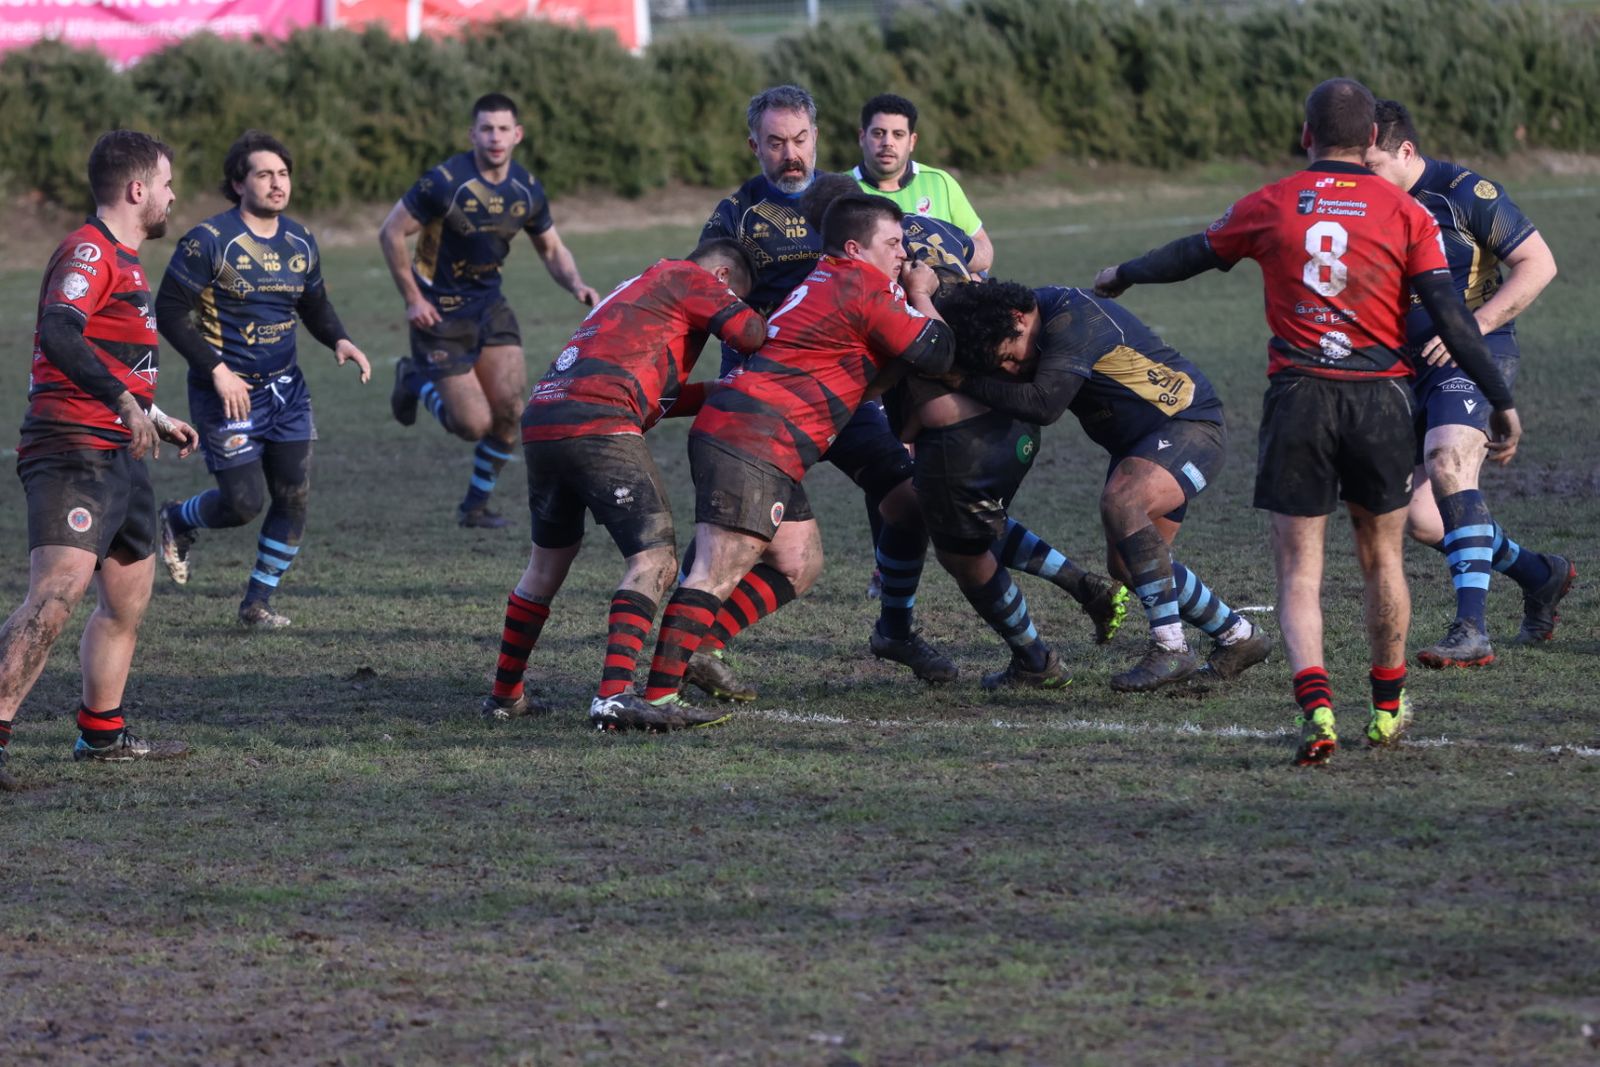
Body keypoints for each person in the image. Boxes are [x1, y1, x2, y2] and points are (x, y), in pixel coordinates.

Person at [1095, 78, 1521, 766]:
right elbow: (1449, 313)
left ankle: (1316, 707)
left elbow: (1192, 254)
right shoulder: (1406, 211)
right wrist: (1499, 396)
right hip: (1381, 398)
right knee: (1382, 557)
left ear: (1305, 136)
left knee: (1299, 570)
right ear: (1375, 140)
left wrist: (1125, 272)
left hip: (1299, 399)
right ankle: (1386, 708)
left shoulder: (1272, 202)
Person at [610, 194, 954, 725]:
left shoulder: (829, 279)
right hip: (755, 437)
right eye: (892, 243)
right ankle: (658, 698)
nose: (902, 253)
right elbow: (937, 351)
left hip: (757, 433)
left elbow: (868, 378)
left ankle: (699, 650)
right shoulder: (865, 285)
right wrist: (923, 293)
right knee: (714, 570)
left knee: (798, 563)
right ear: (855, 247)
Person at [696, 86, 960, 691]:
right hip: (769, 394)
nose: (790, 154)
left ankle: (895, 630)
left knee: (908, 501)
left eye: (800, 139)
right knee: (741, 533)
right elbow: (702, 291)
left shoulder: (848, 200)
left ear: (817, 136)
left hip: (846, 391)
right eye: (775, 142)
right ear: (754, 145)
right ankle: (695, 643)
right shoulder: (736, 212)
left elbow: (916, 256)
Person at [482, 239, 767, 731]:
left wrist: (717, 392)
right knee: (655, 561)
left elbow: (653, 397)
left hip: (547, 417)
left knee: (545, 566)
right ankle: (614, 696)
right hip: (598, 421)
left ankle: (505, 697)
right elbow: (750, 334)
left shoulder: (639, 287)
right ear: (721, 280)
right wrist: (755, 321)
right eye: (732, 295)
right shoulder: (692, 278)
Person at [935, 281, 1272, 691]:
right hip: (1143, 446)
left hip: (1189, 427)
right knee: (1131, 568)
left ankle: (1171, 649)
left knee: (1122, 502)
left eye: (1009, 357)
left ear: (1018, 319)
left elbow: (1044, 405)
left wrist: (961, 381)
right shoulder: (1023, 321)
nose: (1010, 369)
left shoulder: (1072, 319)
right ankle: (1239, 637)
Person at [0, 130, 199, 790]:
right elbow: (60, 331)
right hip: (72, 447)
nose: (173, 196)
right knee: (55, 595)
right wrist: (120, 398)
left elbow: (116, 358)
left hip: (121, 450)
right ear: (137, 189)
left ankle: (102, 734)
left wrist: (156, 414)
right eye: (167, 184)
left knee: (126, 600)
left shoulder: (128, 260)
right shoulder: (89, 250)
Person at [1365, 99, 1571, 667]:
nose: (1366, 178)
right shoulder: (1363, 202)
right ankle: (1539, 573)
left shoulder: (1463, 193)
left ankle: (1471, 630)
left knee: (1448, 460)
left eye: (1374, 165)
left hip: (1476, 353)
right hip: (1402, 366)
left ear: (1406, 151)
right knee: (1421, 518)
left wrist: (1471, 330)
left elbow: (1539, 262)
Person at [154, 131, 371, 628]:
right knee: (244, 502)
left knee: (294, 494)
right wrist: (217, 370)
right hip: (225, 392)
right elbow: (168, 313)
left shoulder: (300, 240)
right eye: (264, 174)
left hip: (286, 390)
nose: (277, 184)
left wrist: (339, 339)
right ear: (237, 182)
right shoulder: (209, 241)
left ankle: (257, 603)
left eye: (283, 174)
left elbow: (314, 305)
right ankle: (178, 519)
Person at [380, 93, 599, 529]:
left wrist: (576, 283)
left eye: (503, 129)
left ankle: (474, 507)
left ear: (517, 134)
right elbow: (391, 233)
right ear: (472, 134)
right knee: (472, 425)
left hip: (489, 308)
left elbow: (552, 248)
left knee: (511, 414)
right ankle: (414, 378)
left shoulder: (526, 188)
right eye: (486, 129)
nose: (495, 137)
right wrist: (412, 298)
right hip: (438, 314)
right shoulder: (444, 181)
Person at [853, 93, 994, 274]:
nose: (888, 143)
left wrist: (970, 280)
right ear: (862, 137)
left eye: (898, 134)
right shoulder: (841, 189)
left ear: (912, 141)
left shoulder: (940, 183)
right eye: (878, 133)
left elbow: (984, 249)